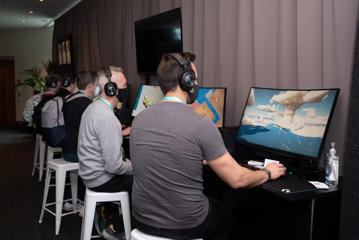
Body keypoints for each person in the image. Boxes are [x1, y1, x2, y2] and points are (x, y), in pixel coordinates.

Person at [130, 52, 286, 240]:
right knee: (231, 219)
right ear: (186, 81)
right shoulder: (201, 124)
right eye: (194, 78)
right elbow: (237, 179)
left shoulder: (139, 120)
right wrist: (268, 172)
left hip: (142, 219)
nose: (196, 83)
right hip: (186, 223)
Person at [78, 66, 133, 239]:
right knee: (147, 180)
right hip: (100, 178)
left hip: (89, 174)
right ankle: (117, 229)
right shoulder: (107, 118)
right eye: (123, 86)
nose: (126, 90)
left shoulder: (93, 107)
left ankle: (109, 214)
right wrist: (135, 166)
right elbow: (114, 166)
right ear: (111, 89)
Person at [61, 71, 98, 214]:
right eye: (95, 85)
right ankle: (87, 204)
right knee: (101, 158)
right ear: (90, 86)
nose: (96, 89)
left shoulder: (68, 99)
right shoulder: (88, 104)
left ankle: (73, 200)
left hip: (67, 149)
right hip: (77, 153)